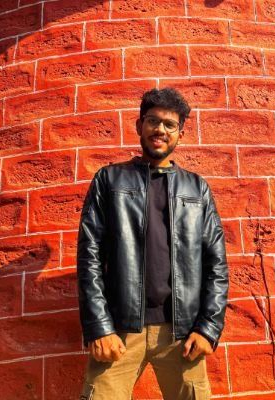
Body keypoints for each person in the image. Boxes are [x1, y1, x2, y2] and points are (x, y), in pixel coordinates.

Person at [77, 87, 228, 400]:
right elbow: (89, 257)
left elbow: (216, 264)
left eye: (170, 124)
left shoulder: (196, 188)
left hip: (181, 334)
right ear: (139, 125)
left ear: (180, 134)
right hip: (119, 331)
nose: (160, 129)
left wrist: (208, 328)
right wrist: (99, 326)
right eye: (153, 121)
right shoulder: (109, 180)